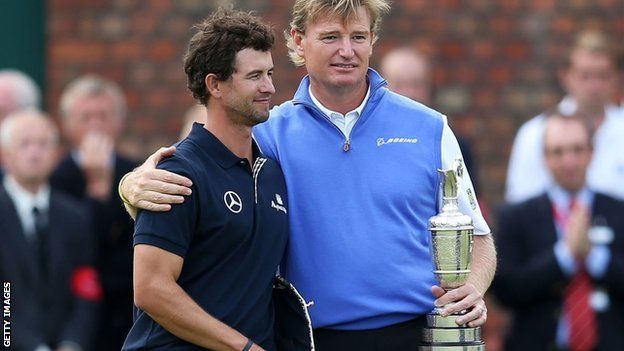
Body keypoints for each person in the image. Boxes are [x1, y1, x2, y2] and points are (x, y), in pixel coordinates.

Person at [120, 1, 496, 349]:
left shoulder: (429, 127)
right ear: (299, 42)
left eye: (358, 37)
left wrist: (474, 288)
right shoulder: (266, 132)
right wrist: (130, 183)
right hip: (310, 339)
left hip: (414, 334)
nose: (346, 51)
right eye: (331, 37)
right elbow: (201, 161)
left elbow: (477, 235)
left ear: (373, 41)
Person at [121, 8, 297, 351]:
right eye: (255, 76)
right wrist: (242, 347)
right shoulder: (177, 173)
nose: (269, 87)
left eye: (270, 73)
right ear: (215, 84)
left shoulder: (272, 172)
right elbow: (151, 289)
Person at [494, 113, 624, 350]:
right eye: (558, 152)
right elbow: (506, 289)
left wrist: (595, 257)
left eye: (577, 149)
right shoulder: (516, 217)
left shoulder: (618, 211)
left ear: (591, 152)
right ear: (544, 158)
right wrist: (564, 256)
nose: (569, 161)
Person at [49, 75, 139, 351]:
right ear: (67, 124)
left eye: (104, 115)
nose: (96, 124)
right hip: (73, 310)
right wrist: (97, 190)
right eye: (85, 117)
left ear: (119, 121)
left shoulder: (137, 172)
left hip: (126, 308)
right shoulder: (56, 179)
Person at [0, 109, 100, 351]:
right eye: (24, 144)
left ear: (56, 154)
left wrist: (72, 342)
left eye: (43, 144)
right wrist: (32, 346)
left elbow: (86, 285)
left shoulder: (74, 216)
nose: (34, 152)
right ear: (5, 155)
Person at [505, 29, 624, 203]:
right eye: (585, 76)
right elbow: (520, 202)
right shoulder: (536, 132)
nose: (594, 85)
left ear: (617, 77)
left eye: (602, 75)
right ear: (565, 76)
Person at [379, 47, 480, 194]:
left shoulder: (451, 142)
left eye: (417, 84)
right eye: (399, 84)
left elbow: (472, 202)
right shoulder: (364, 139)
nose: (409, 93)